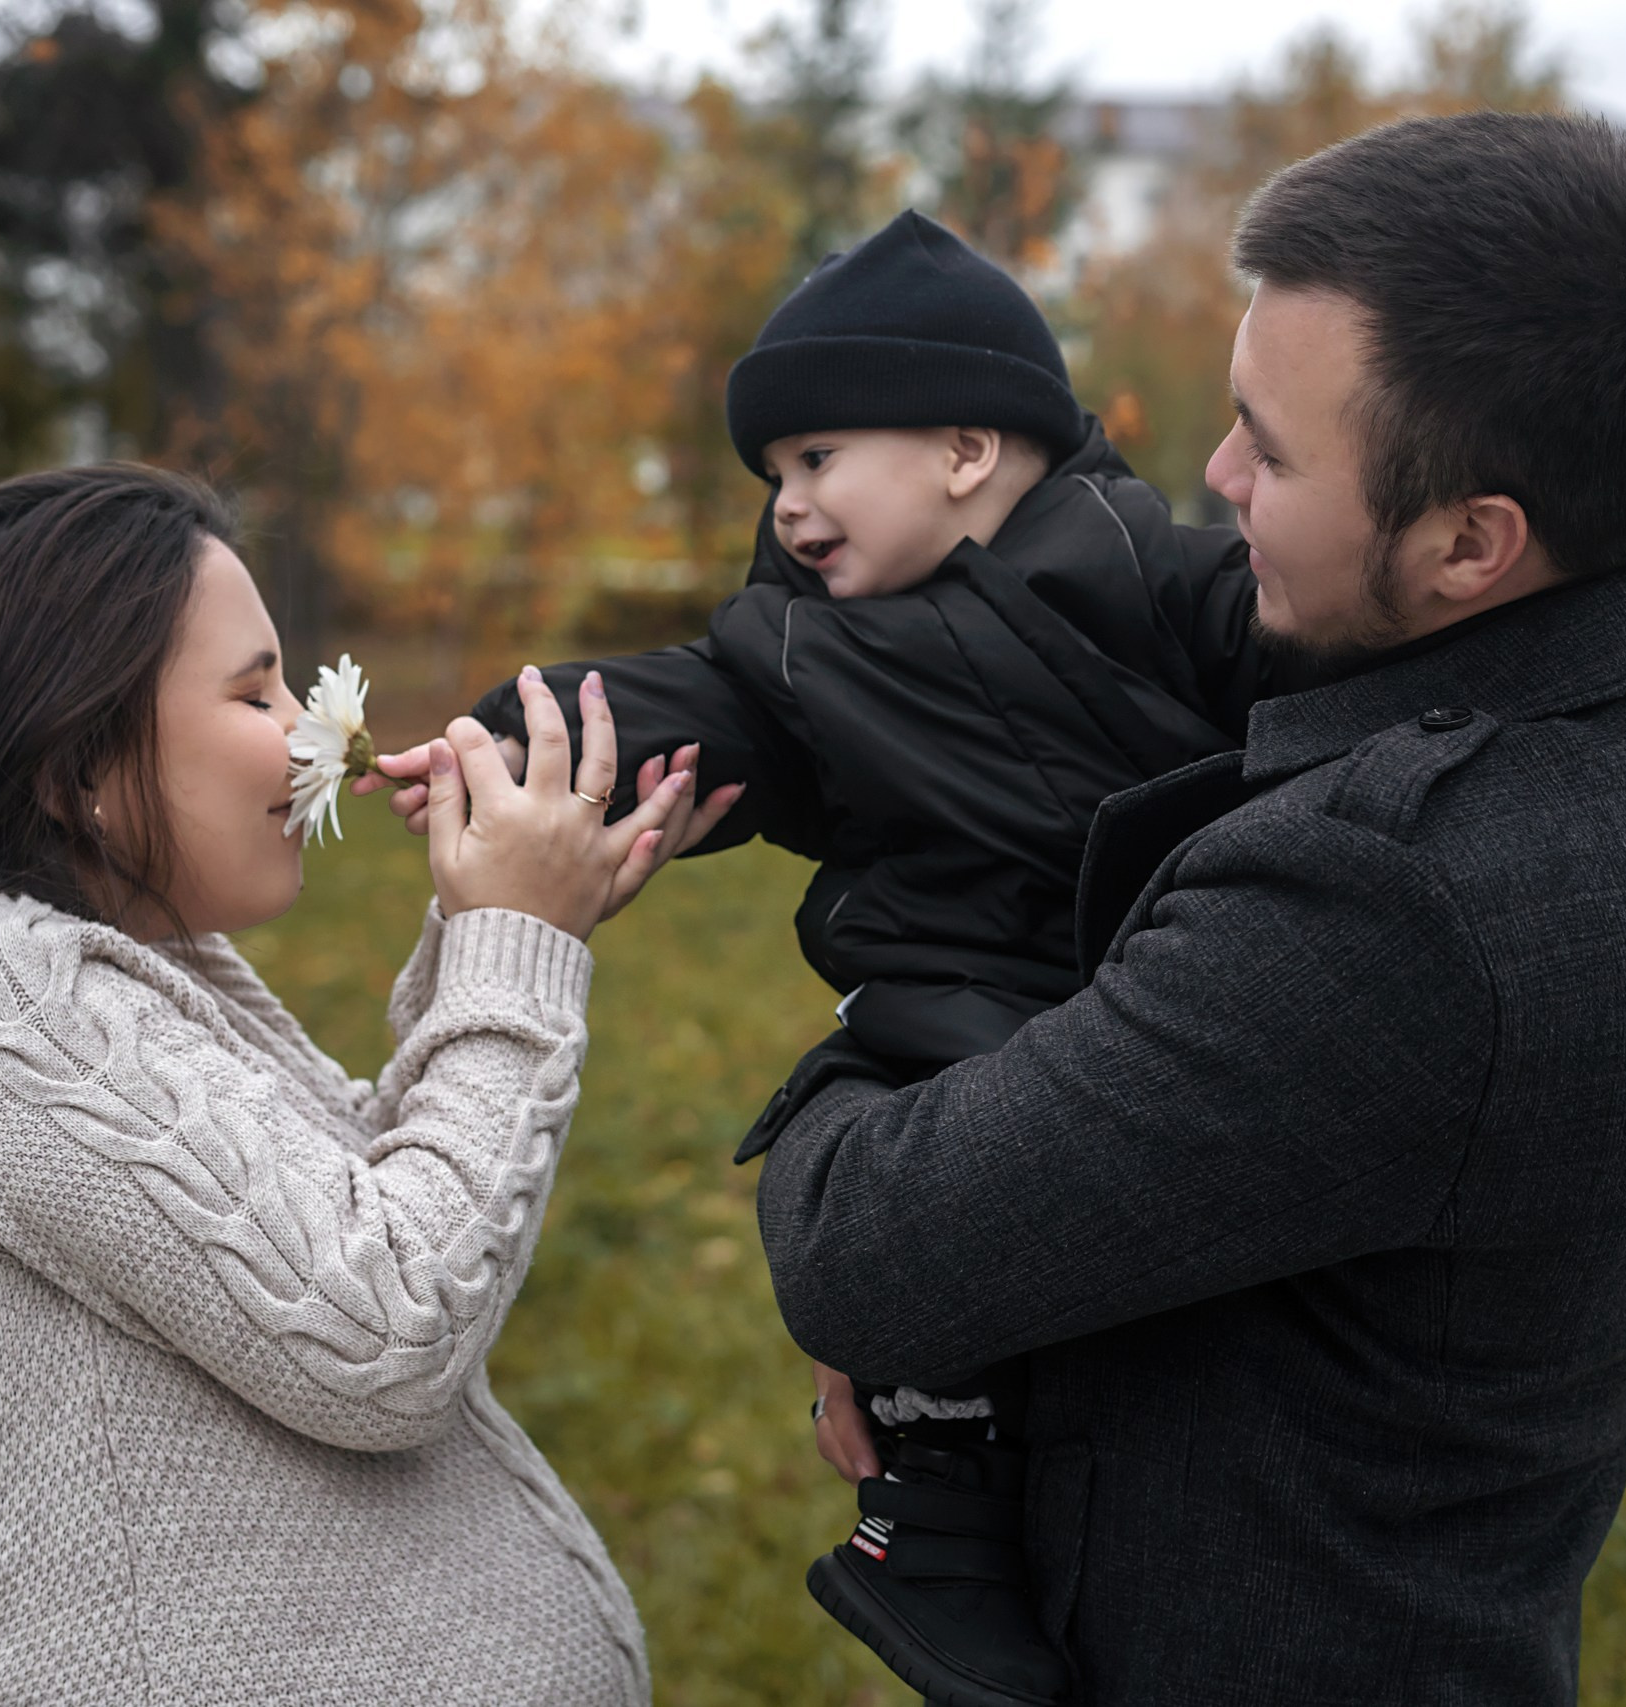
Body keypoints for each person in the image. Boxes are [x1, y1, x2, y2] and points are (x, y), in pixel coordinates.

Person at [747, 112, 1626, 1705]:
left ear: (1469, 542)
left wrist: (875, 1046)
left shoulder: (1398, 892)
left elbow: (867, 1252)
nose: (1214, 476)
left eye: (1271, 452)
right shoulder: (1621, 704)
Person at [395, 211, 1288, 1704]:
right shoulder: (806, 648)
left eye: (818, 460)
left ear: (960, 449)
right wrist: (512, 735)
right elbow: (686, 704)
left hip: (1145, 972)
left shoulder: (1143, 562)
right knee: (916, 1258)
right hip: (938, 998)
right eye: (775, 477)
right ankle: (928, 1532)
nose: (792, 507)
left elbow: (1283, 643)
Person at [0, 463, 735, 1706]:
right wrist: (517, 953)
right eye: (255, 693)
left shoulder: (117, 969)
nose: (316, 733)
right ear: (76, 761)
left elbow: (351, 1216)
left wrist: (496, 932)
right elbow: (385, 1327)